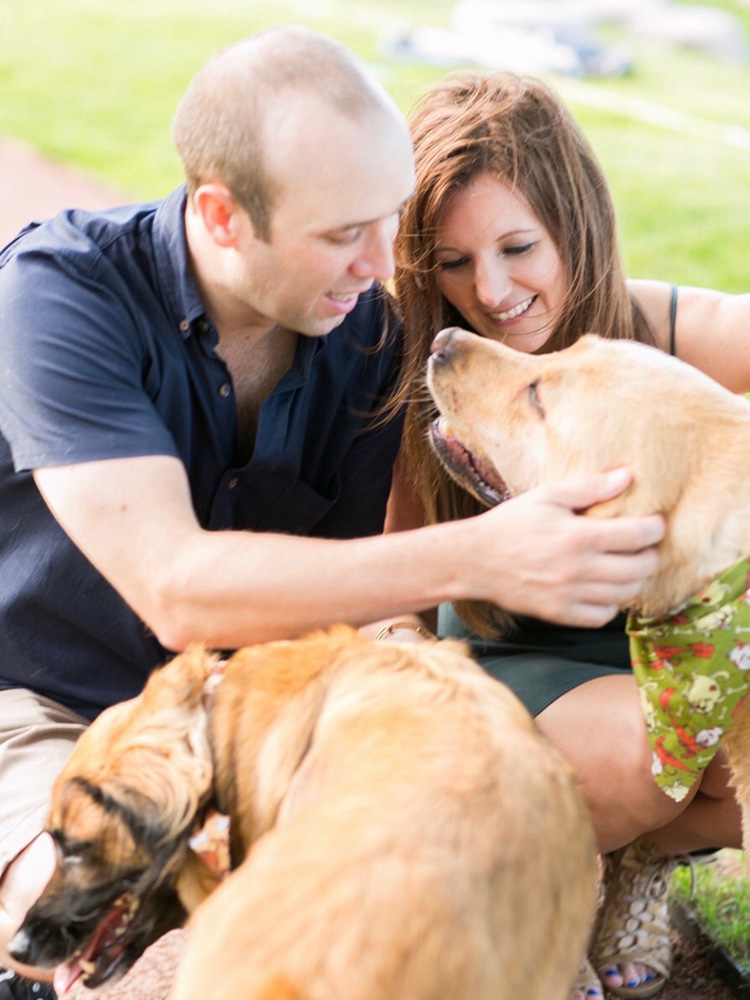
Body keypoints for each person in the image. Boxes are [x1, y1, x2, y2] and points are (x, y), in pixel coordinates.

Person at [0, 28, 664, 1000]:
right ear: (223, 216)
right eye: (342, 232)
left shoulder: (362, 338)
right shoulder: (57, 299)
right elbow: (178, 589)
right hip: (38, 692)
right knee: (65, 912)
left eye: (387, 223)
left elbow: (345, 610)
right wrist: (480, 555)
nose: (378, 263)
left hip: (244, 712)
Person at [391, 70, 750, 1000]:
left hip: (660, 656)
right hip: (513, 657)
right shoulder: (422, 363)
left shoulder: (663, 341)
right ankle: (545, 887)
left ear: (574, 228)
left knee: (720, 735)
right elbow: (385, 596)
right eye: (456, 261)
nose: (493, 292)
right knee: (657, 752)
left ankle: (635, 866)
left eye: (518, 247)